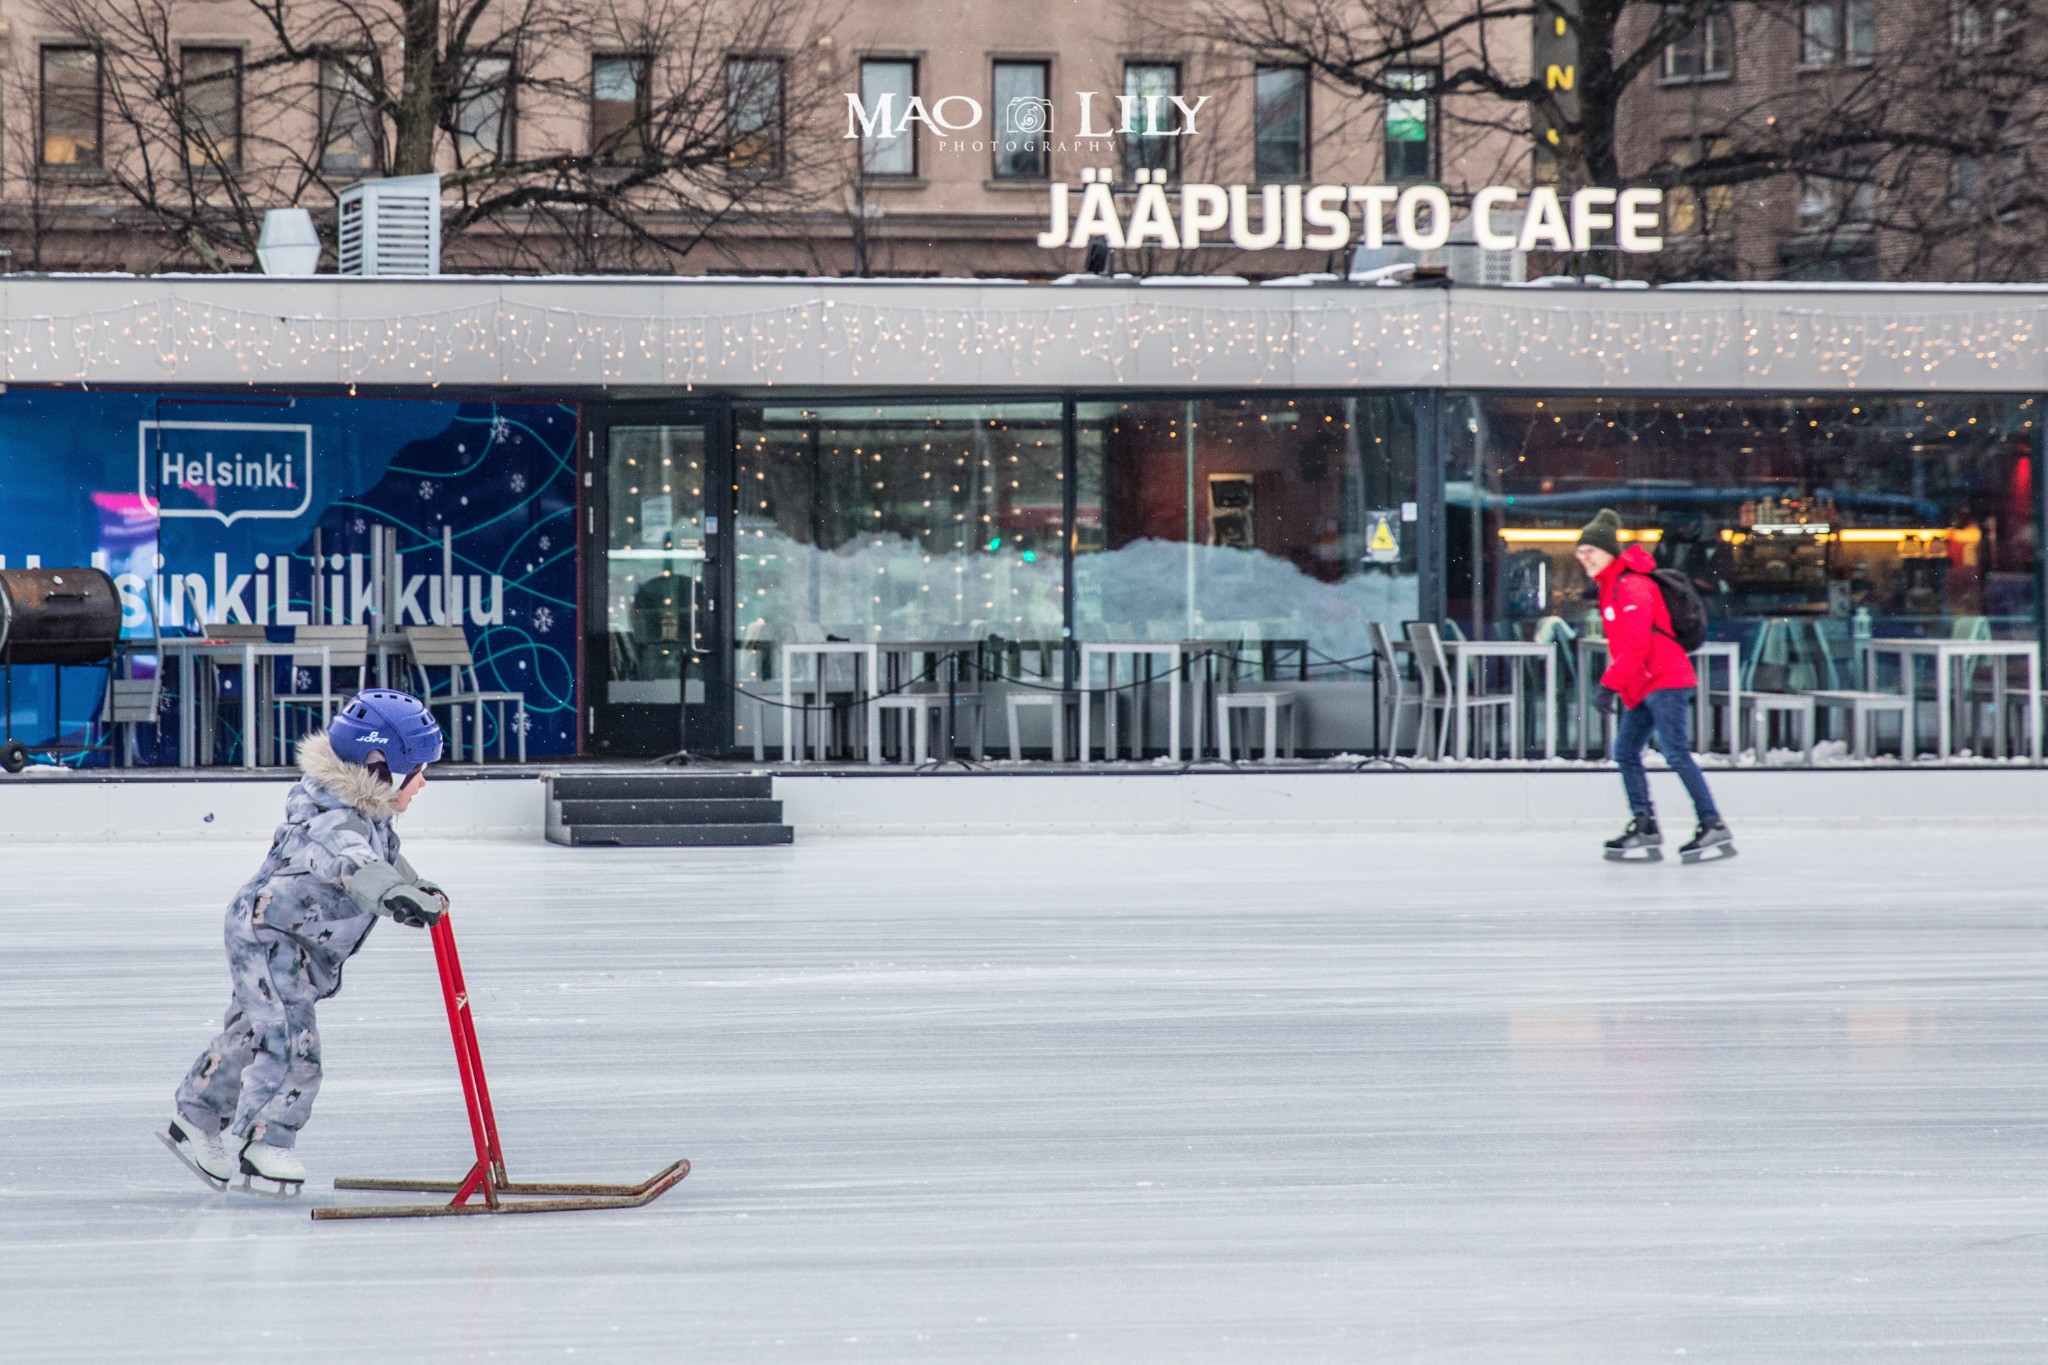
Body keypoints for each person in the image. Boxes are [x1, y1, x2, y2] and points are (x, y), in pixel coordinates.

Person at [162, 690, 450, 1193]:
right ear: (381, 765)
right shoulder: (331, 819)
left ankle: (197, 1117)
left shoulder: (365, 814)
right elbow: (353, 862)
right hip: (271, 937)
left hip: (292, 942)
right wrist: (391, 895)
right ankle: (266, 1140)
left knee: (253, 1033)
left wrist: (410, 886)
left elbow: (382, 859)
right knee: (294, 1043)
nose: (423, 781)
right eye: (418, 768)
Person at [1575, 509, 1735, 863]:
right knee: (1626, 751)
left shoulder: (1633, 585)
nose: (1584, 558)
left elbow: (1637, 644)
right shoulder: (1611, 587)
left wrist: (1609, 685)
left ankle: (1712, 823)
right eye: (1580, 552)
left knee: (1674, 751)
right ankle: (1645, 825)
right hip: (1644, 684)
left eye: (1591, 551)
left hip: (1665, 679)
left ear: (1609, 553)